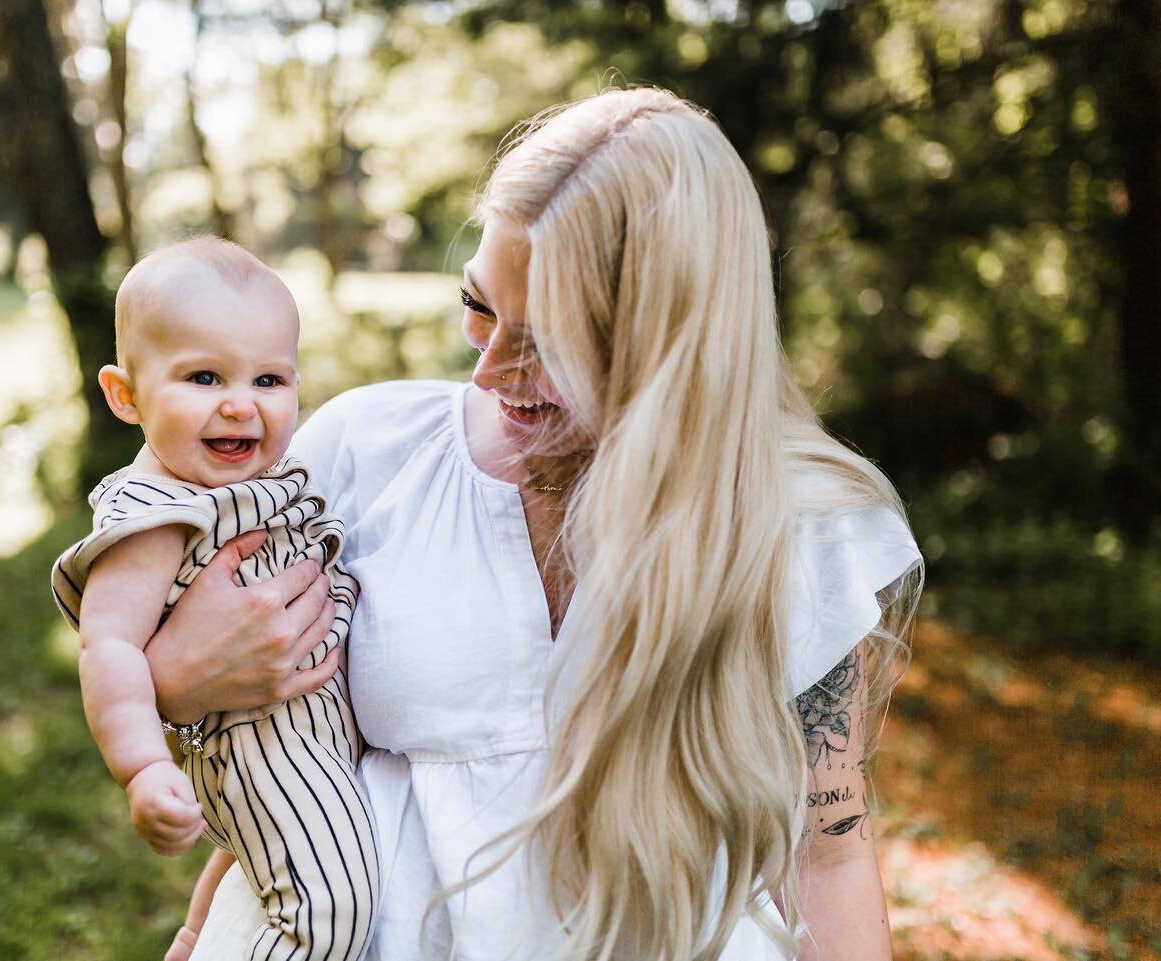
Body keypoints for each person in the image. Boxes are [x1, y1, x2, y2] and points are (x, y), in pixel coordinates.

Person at [142, 88, 923, 961]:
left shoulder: (793, 523)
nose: (489, 370)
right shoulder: (362, 451)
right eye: (480, 307)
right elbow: (269, 744)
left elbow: (829, 847)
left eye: (548, 341)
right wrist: (172, 683)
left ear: (671, 347)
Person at [49, 238, 378, 961]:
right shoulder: (158, 514)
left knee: (259, 855)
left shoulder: (261, 477)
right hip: (262, 739)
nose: (240, 404)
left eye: (268, 378)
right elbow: (108, 644)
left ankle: (198, 934)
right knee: (329, 910)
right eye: (203, 377)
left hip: (310, 733)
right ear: (125, 394)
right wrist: (142, 766)